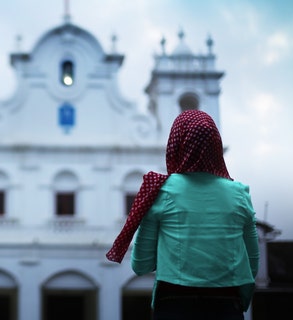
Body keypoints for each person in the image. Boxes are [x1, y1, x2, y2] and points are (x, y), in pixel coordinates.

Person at [106, 110, 259, 319]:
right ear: (216, 146)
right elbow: (252, 267)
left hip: (174, 307)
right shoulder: (240, 194)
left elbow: (141, 265)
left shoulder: (160, 191)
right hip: (227, 307)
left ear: (176, 144)